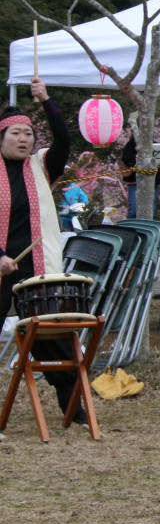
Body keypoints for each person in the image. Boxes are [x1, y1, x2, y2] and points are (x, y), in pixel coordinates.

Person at [0, 78, 89, 424]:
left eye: (28, 133)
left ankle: (73, 408)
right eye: (15, 133)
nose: (24, 139)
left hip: (39, 266)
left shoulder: (40, 165)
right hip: (4, 266)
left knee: (53, 338)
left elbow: (64, 140)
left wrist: (46, 100)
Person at [119, 132, 160, 219]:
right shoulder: (132, 144)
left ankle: (148, 230)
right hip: (134, 180)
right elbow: (125, 158)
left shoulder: (155, 145)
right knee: (133, 210)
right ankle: (130, 229)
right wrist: (137, 156)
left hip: (153, 181)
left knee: (151, 211)